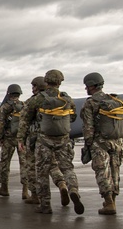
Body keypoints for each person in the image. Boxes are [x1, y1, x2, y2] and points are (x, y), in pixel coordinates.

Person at [21, 70, 84, 215]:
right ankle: (73, 190)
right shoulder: (67, 99)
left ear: (46, 81)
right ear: (60, 81)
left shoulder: (37, 99)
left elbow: (25, 120)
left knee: (42, 172)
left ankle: (45, 205)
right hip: (63, 139)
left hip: (44, 140)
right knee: (67, 168)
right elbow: (72, 117)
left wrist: (21, 138)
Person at [80, 72, 123, 215]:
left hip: (100, 143)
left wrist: (89, 144)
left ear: (92, 86)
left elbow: (88, 127)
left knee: (102, 171)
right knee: (115, 171)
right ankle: (112, 201)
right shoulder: (116, 100)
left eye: (87, 86)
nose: (86, 89)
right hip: (117, 142)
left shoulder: (91, 102)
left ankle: (108, 203)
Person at [17, 76, 67, 206]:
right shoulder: (61, 99)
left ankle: (35, 196)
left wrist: (20, 139)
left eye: (33, 86)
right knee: (53, 165)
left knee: (33, 167)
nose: (32, 89)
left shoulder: (33, 101)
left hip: (36, 139)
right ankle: (61, 184)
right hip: (56, 138)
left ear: (37, 87)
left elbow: (24, 121)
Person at [0, 84, 25, 197]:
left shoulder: (5, 107)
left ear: (9, 94)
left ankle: (4, 188)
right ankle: (25, 190)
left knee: (4, 163)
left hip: (8, 138)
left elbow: (1, 124)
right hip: (21, 140)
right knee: (24, 164)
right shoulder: (24, 105)